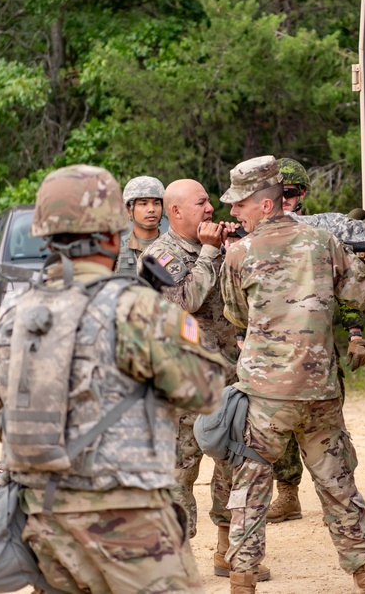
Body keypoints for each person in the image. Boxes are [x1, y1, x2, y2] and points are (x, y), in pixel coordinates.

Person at [0, 164, 227, 594]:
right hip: (132, 529)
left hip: (43, 524)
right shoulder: (137, 309)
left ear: (46, 236)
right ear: (114, 232)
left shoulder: (8, 317)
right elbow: (207, 392)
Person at [219, 156, 365, 594]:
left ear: (266, 205)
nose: (234, 212)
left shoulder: (239, 254)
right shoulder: (324, 242)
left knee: (250, 494)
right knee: (339, 489)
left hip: (266, 399)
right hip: (319, 391)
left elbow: (236, 313)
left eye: (240, 204)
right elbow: (363, 292)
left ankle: (242, 585)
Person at [139, 179, 272, 582]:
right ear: (176, 212)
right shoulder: (155, 256)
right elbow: (185, 302)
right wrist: (212, 252)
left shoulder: (219, 249)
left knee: (231, 461)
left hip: (227, 377)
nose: (211, 208)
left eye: (209, 201)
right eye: (201, 203)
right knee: (180, 471)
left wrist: (233, 253)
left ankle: (226, 548)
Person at [266, 158, 365, 525]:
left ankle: (339, 498)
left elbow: (348, 289)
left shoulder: (324, 235)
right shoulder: (260, 236)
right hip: (274, 353)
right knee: (279, 434)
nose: (284, 200)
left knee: (329, 432)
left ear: (302, 194)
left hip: (316, 350)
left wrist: (356, 333)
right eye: (277, 193)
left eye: (289, 194)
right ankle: (288, 495)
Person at [116, 175, 165, 276]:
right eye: (143, 204)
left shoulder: (176, 248)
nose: (151, 209)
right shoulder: (115, 250)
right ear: (129, 210)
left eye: (156, 203)